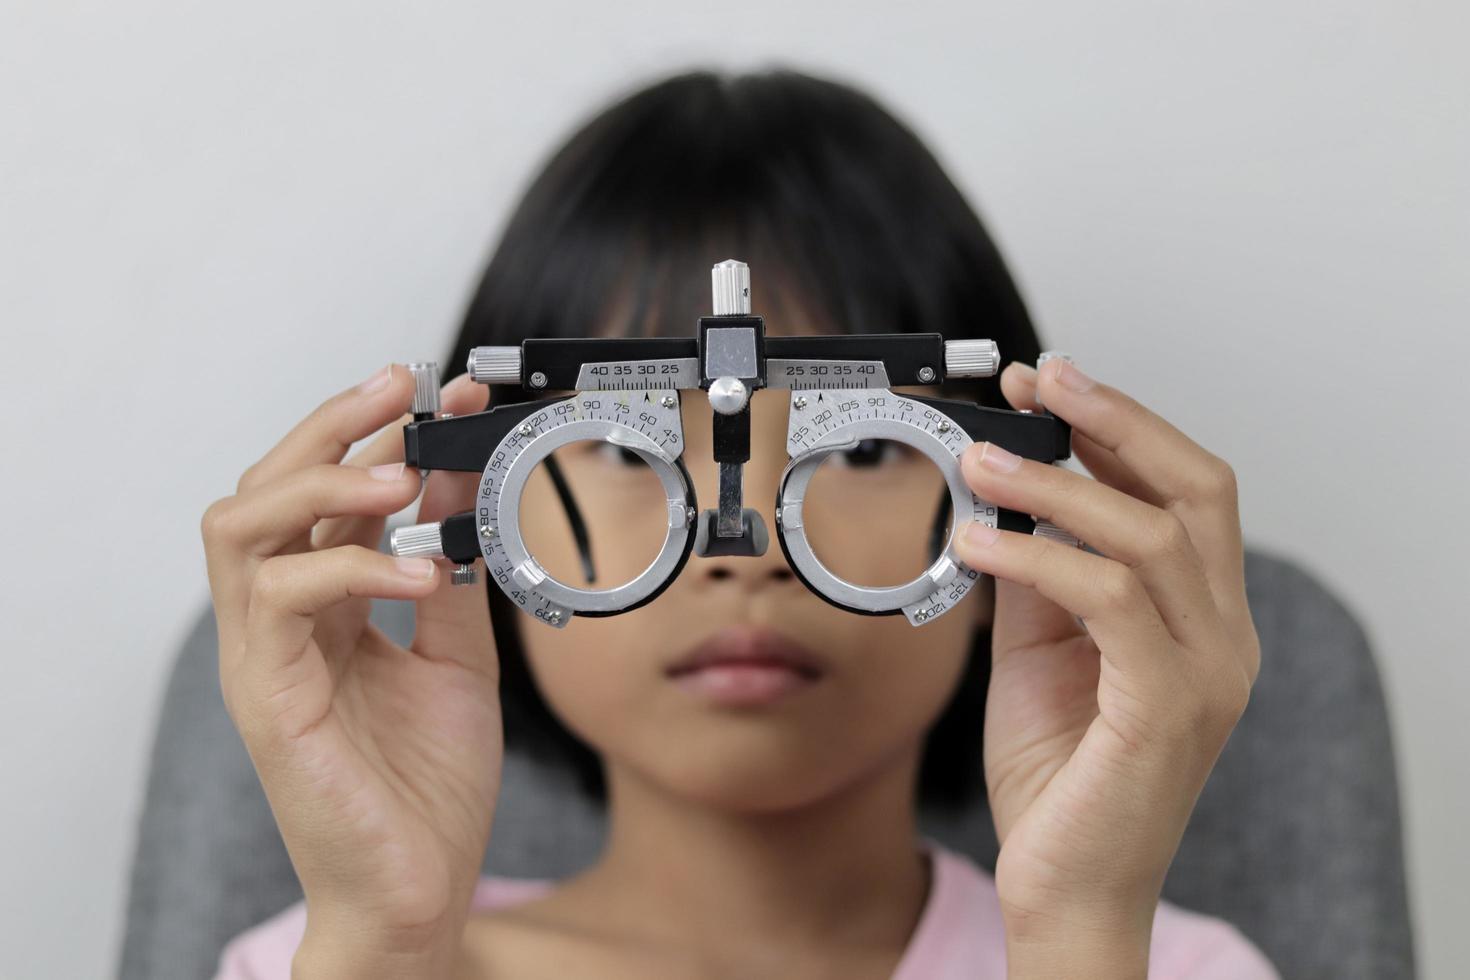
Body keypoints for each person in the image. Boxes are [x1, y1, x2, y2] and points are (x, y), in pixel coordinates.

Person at [200, 69, 1278, 978]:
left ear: (1015, 499)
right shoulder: (325, 951)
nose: (748, 543)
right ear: (472, 499)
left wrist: (1081, 930)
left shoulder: (1154, 958)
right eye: (627, 447)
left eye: (861, 446)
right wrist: (385, 940)